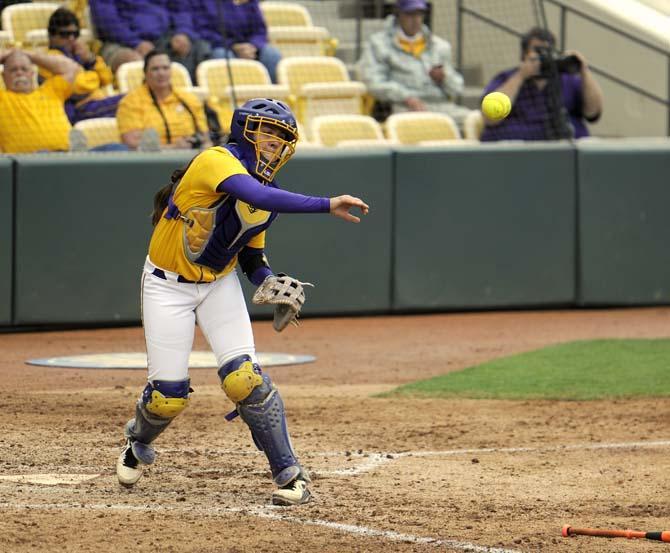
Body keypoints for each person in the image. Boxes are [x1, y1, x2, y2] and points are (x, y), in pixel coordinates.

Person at [115, 97, 369, 506]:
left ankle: (290, 475)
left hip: (218, 284)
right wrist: (326, 204)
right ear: (244, 130)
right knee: (168, 396)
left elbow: (251, 256)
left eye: (282, 137)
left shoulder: (268, 193)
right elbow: (255, 194)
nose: (274, 142)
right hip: (167, 286)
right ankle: (137, 440)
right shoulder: (216, 160)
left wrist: (270, 282)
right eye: (267, 132)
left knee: (244, 379)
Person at [357, 0, 470, 126]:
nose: (415, 19)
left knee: (473, 120)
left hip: (441, 106)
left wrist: (444, 78)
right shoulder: (379, 44)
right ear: (398, 14)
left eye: (419, 14)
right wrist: (406, 97)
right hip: (400, 106)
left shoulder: (439, 46)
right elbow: (373, 81)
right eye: (410, 14)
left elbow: (457, 89)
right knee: (421, 124)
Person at [480, 27, 604, 142]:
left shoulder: (568, 80)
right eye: (538, 51)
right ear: (524, 54)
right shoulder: (506, 77)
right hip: (516, 151)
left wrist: (583, 70)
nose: (544, 56)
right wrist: (521, 76)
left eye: (548, 51)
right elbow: (490, 118)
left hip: (565, 146)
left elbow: (593, 112)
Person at [40, 7, 124, 124]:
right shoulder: (49, 59)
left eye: (75, 34)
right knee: (129, 101)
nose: (71, 39)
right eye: (65, 34)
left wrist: (91, 59)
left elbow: (107, 78)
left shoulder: (80, 55)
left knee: (134, 100)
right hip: (76, 111)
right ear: (52, 36)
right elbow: (78, 88)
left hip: (95, 105)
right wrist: (96, 78)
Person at [88, 0, 211, 79]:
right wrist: (135, 42)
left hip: (164, 37)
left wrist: (182, 32)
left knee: (202, 49)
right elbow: (106, 21)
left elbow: (180, 8)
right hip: (120, 42)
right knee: (133, 61)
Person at [116, 50, 212, 151]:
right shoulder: (130, 102)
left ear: (171, 71)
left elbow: (205, 138)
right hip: (153, 161)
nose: (161, 73)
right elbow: (132, 145)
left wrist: (205, 147)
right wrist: (173, 148)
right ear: (145, 73)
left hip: (192, 156)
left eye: (165, 68)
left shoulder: (189, 99)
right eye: (155, 69)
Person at [0, 48, 79, 153]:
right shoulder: (2, 98)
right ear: (4, 76)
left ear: (32, 74)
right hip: (28, 161)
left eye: (24, 69)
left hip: (68, 155)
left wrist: (30, 55)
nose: (19, 73)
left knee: (108, 149)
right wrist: (7, 54)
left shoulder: (51, 90)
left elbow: (71, 68)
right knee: (44, 153)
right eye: (13, 70)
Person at [188, 0, 282, 83]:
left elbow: (260, 30)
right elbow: (203, 31)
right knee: (222, 55)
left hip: (250, 47)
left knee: (271, 54)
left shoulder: (249, 1)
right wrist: (232, 45)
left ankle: (271, 99)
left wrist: (253, 45)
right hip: (219, 45)